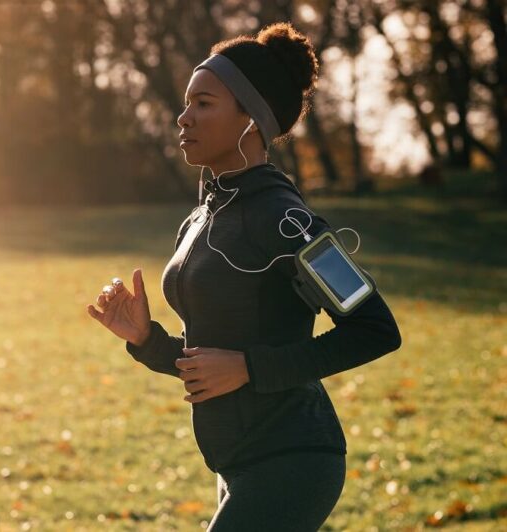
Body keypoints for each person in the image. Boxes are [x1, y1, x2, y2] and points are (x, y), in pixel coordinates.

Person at [86, 22, 402, 531]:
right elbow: (212, 366)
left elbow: (377, 330)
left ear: (250, 119)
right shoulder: (202, 217)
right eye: (187, 104)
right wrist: (146, 339)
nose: (183, 118)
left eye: (204, 104)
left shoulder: (286, 220)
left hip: (294, 461)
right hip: (237, 461)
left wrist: (253, 368)